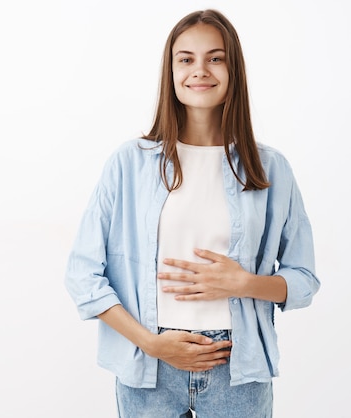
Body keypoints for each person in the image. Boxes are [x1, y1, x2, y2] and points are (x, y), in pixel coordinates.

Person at [64, 9, 320, 418]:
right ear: (171, 71)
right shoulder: (130, 163)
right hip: (150, 366)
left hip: (238, 366)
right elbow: (82, 275)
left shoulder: (270, 169)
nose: (200, 70)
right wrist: (150, 344)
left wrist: (243, 282)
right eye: (186, 59)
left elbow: (304, 280)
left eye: (215, 58)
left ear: (232, 69)